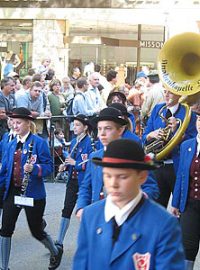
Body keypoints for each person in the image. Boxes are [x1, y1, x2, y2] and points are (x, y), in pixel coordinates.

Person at [73, 139, 185, 270]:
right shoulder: (90, 215)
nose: (113, 184)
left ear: (142, 177)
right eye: (107, 176)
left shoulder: (164, 224)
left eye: (122, 177)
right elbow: (81, 264)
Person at [0, 107, 63, 270]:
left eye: (18, 122)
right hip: (12, 192)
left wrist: (35, 169)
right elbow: (5, 170)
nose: (15, 125)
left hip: (33, 194)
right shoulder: (11, 144)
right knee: (5, 229)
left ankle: (55, 251)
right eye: (13, 122)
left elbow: (49, 167)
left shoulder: (39, 143)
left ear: (28, 123)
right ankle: (4, 267)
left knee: (36, 231)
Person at [76, 107, 159, 220]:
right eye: (99, 129)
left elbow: (151, 188)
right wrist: (81, 207)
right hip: (99, 216)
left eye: (108, 128)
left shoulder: (134, 154)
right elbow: (86, 186)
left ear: (120, 130)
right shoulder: (94, 157)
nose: (102, 134)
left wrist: (137, 204)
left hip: (128, 216)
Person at [143, 88, 197, 208]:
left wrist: (177, 133)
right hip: (157, 164)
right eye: (165, 91)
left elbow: (194, 140)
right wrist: (151, 135)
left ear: (179, 94)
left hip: (176, 165)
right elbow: (144, 136)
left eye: (170, 92)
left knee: (180, 207)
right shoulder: (158, 109)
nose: (166, 95)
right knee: (156, 207)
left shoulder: (188, 113)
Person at [55, 114, 93, 249]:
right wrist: (65, 166)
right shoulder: (73, 141)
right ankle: (59, 241)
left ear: (85, 127)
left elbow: (89, 164)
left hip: (84, 183)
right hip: (72, 180)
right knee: (66, 209)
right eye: (74, 124)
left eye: (77, 125)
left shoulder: (90, 143)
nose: (74, 127)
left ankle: (88, 243)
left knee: (85, 212)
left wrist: (75, 163)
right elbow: (71, 160)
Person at [172, 112, 200, 270]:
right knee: (187, 247)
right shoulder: (186, 145)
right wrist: (175, 203)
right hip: (189, 204)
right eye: (199, 120)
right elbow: (181, 176)